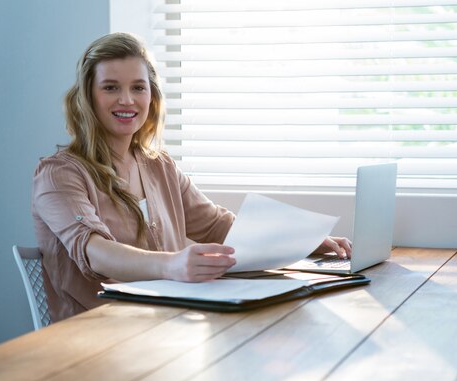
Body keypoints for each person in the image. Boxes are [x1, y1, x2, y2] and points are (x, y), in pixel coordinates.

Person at [32, 32, 352, 322]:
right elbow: (95, 252)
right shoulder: (59, 175)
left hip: (168, 325)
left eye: (138, 87)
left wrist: (300, 242)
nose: (127, 100)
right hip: (95, 335)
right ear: (87, 97)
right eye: (111, 87)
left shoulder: (160, 167)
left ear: (151, 97)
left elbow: (216, 226)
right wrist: (172, 265)